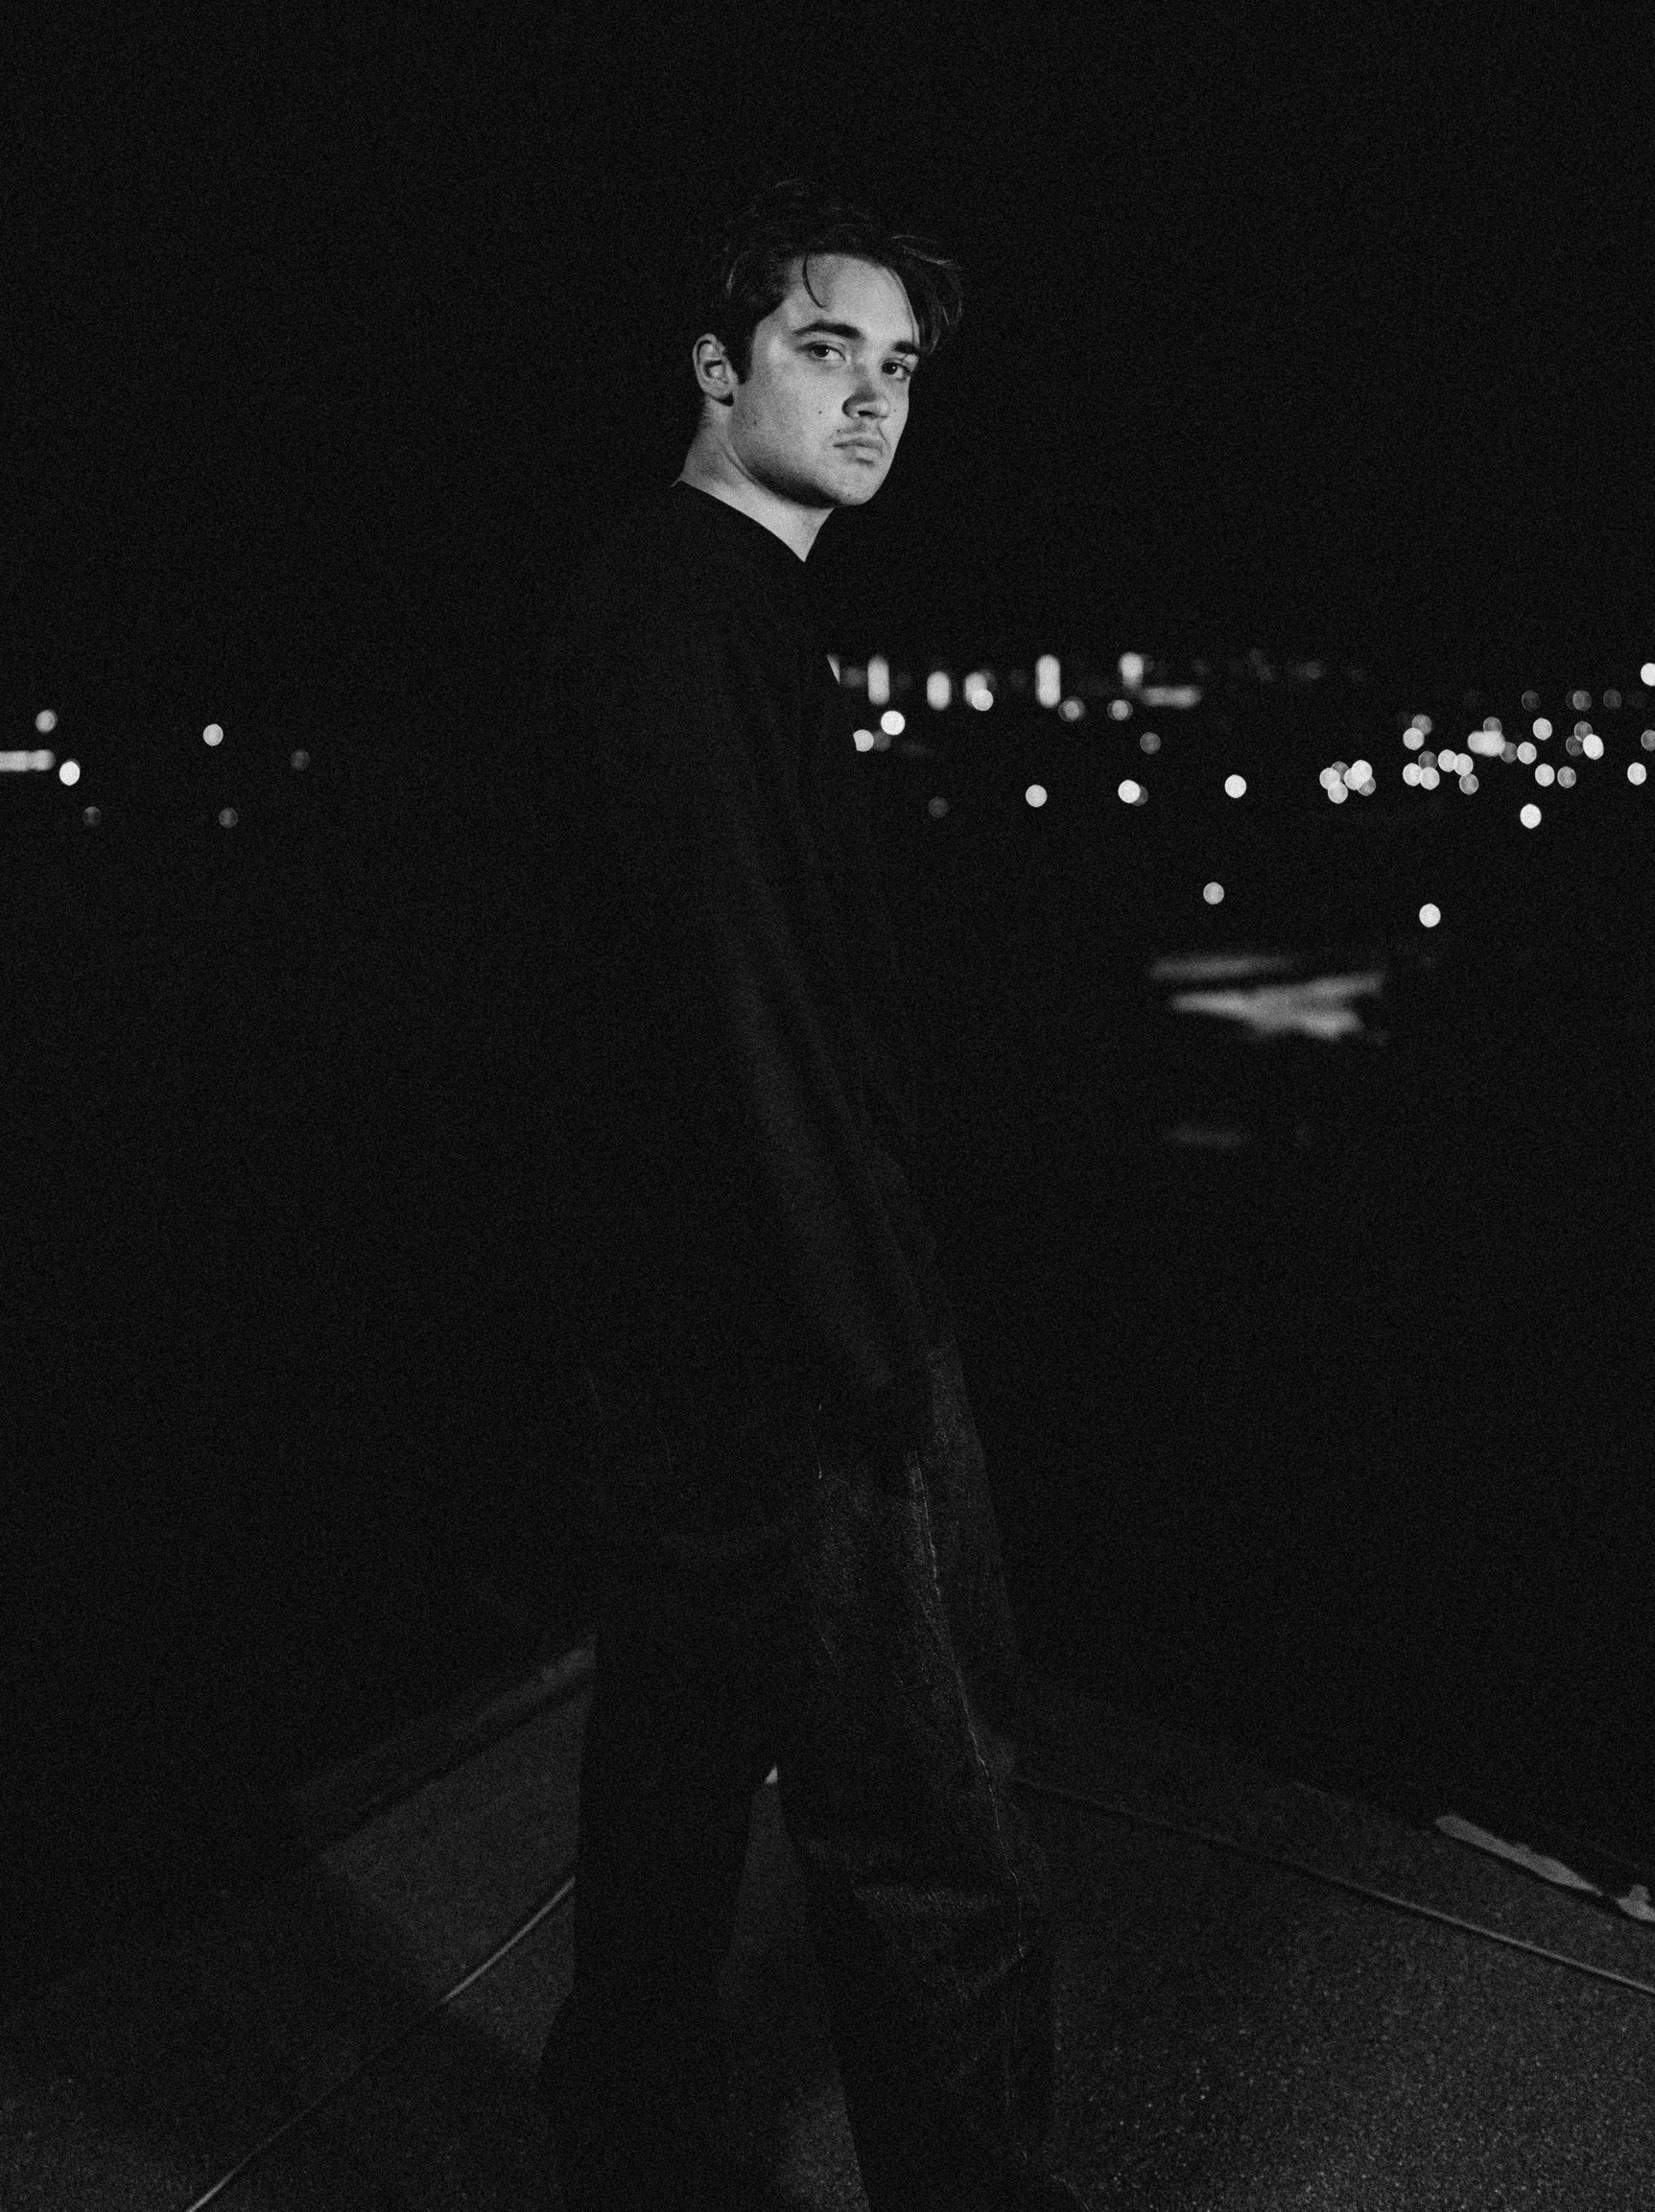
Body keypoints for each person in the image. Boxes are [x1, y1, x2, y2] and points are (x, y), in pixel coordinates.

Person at [526, 183, 1080, 2210]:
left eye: (899, 366)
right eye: (825, 348)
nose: (872, 399)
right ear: (718, 366)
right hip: (801, 1332)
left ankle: (627, 2145)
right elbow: (749, 997)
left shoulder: (677, 605)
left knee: (675, 1768)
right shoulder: (697, 614)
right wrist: (874, 1354)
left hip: (685, 1320)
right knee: (936, 1821)